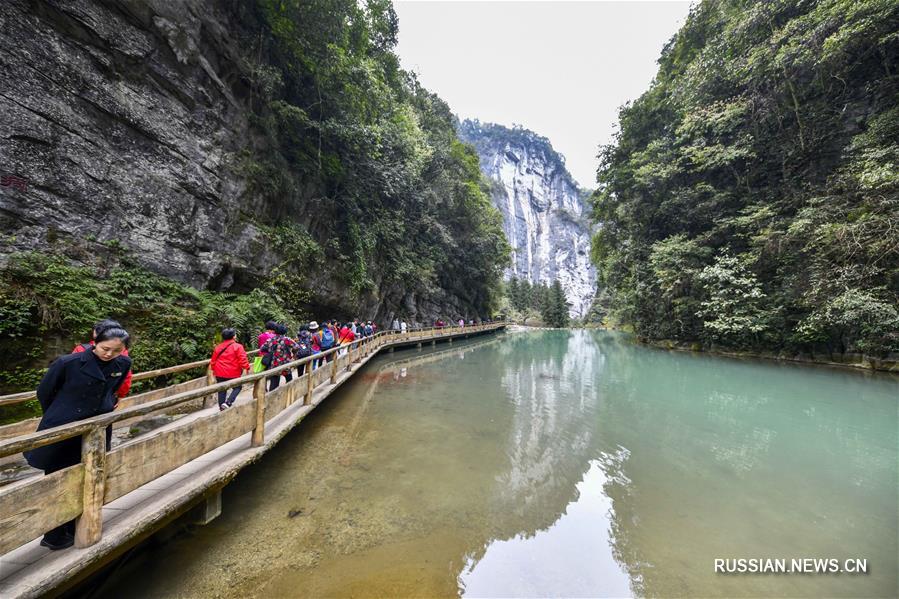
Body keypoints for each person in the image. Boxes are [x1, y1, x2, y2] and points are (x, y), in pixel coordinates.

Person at [26, 327, 132, 550]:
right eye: (105, 348)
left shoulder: (123, 364)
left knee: (90, 475)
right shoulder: (68, 363)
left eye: (117, 350)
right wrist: (61, 413)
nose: (109, 354)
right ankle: (53, 534)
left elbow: (111, 390)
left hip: (96, 428)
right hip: (63, 428)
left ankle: (77, 525)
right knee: (58, 480)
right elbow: (44, 393)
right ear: (95, 342)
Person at [72, 319, 133, 400]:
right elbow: (125, 379)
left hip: (81, 398)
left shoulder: (81, 349)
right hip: (105, 398)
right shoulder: (121, 352)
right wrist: (120, 396)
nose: (109, 354)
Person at [210, 328, 249, 411]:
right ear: (233, 336)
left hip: (219, 372)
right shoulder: (238, 346)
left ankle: (221, 407)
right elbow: (242, 359)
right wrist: (246, 368)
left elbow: (213, 360)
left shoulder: (218, 347)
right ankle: (228, 403)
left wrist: (213, 370)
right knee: (237, 387)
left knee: (222, 389)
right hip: (233, 372)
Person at [260, 324, 297, 391]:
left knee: (274, 384)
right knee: (289, 380)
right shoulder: (287, 340)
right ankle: (288, 395)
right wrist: (292, 353)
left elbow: (262, 348)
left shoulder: (271, 339)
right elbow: (296, 347)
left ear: (275, 331)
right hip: (285, 363)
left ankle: (272, 399)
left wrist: (270, 350)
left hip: (274, 364)